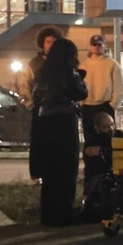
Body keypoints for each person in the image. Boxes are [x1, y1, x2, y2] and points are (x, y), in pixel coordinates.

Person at [31, 38, 88, 227]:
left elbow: (36, 95)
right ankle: (64, 212)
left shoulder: (43, 72)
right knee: (66, 167)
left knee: (50, 170)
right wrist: (79, 76)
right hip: (63, 121)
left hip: (45, 121)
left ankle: (48, 213)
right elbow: (81, 93)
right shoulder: (68, 70)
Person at [21, 26, 64, 180]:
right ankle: (38, 173)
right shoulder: (33, 63)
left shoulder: (64, 62)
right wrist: (30, 103)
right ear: (42, 43)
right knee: (39, 142)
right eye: (48, 42)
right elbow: (24, 84)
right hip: (39, 108)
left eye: (54, 42)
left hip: (58, 108)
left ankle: (56, 172)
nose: (51, 44)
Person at [79, 33, 123, 149]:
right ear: (90, 46)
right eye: (94, 45)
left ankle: (108, 163)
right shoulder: (84, 65)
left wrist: (112, 105)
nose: (97, 47)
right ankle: (90, 164)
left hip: (105, 105)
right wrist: (81, 103)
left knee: (107, 137)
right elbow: (79, 85)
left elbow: (119, 87)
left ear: (104, 46)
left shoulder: (112, 64)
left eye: (99, 45)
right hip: (88, 106)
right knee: (89, 138)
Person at [82, 111, 123, 184]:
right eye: (106, 127)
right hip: (100, 177)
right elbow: (94, 167)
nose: (111, 129)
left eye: (112, 124)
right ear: (97, 128)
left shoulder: (119, 135)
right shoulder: (92, 141)